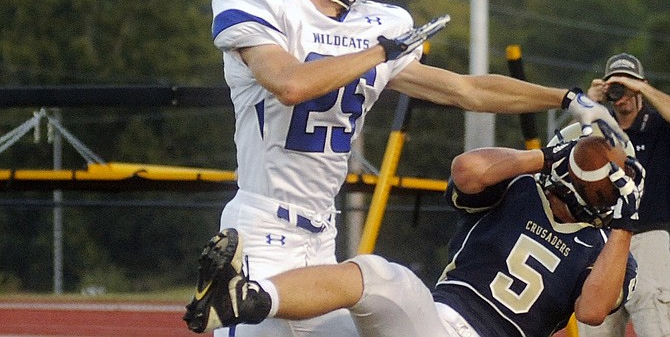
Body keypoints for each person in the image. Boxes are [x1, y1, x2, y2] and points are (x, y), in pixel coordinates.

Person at [184, 0, 626, 336]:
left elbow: (465, 89)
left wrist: (568, 99)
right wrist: (381, 53)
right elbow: (290, 84)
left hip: (321, 231)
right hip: (262, 226)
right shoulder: (259, 5)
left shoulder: (369, 22)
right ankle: (234, 295)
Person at [183, 135, 644, 336]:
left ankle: (248, 297)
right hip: (428, 322)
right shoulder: (522, 187)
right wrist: (544, 155)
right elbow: (467, 171)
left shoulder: (609, 249)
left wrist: (625, 224)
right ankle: (245, 301)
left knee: (382, 276)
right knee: (299, 328)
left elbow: (592, 309)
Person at [578, 53, 670, 337]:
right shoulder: (600, 130)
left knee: (655, 324)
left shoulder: (658, 125)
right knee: (596, 328)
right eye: (616, 87)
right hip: (603, 242)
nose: (623, 94)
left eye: (628, 85)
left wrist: (642, 88)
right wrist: (588, 105)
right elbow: (572, 157)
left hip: (649, 236)